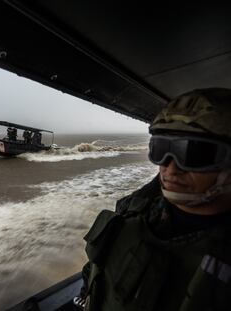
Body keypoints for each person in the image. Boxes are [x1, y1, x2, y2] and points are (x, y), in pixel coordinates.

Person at [76, 88, 231, 311]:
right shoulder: (132, 211)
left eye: (193, 152)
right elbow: (94, 274)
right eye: (162, 149)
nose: (171, 167)